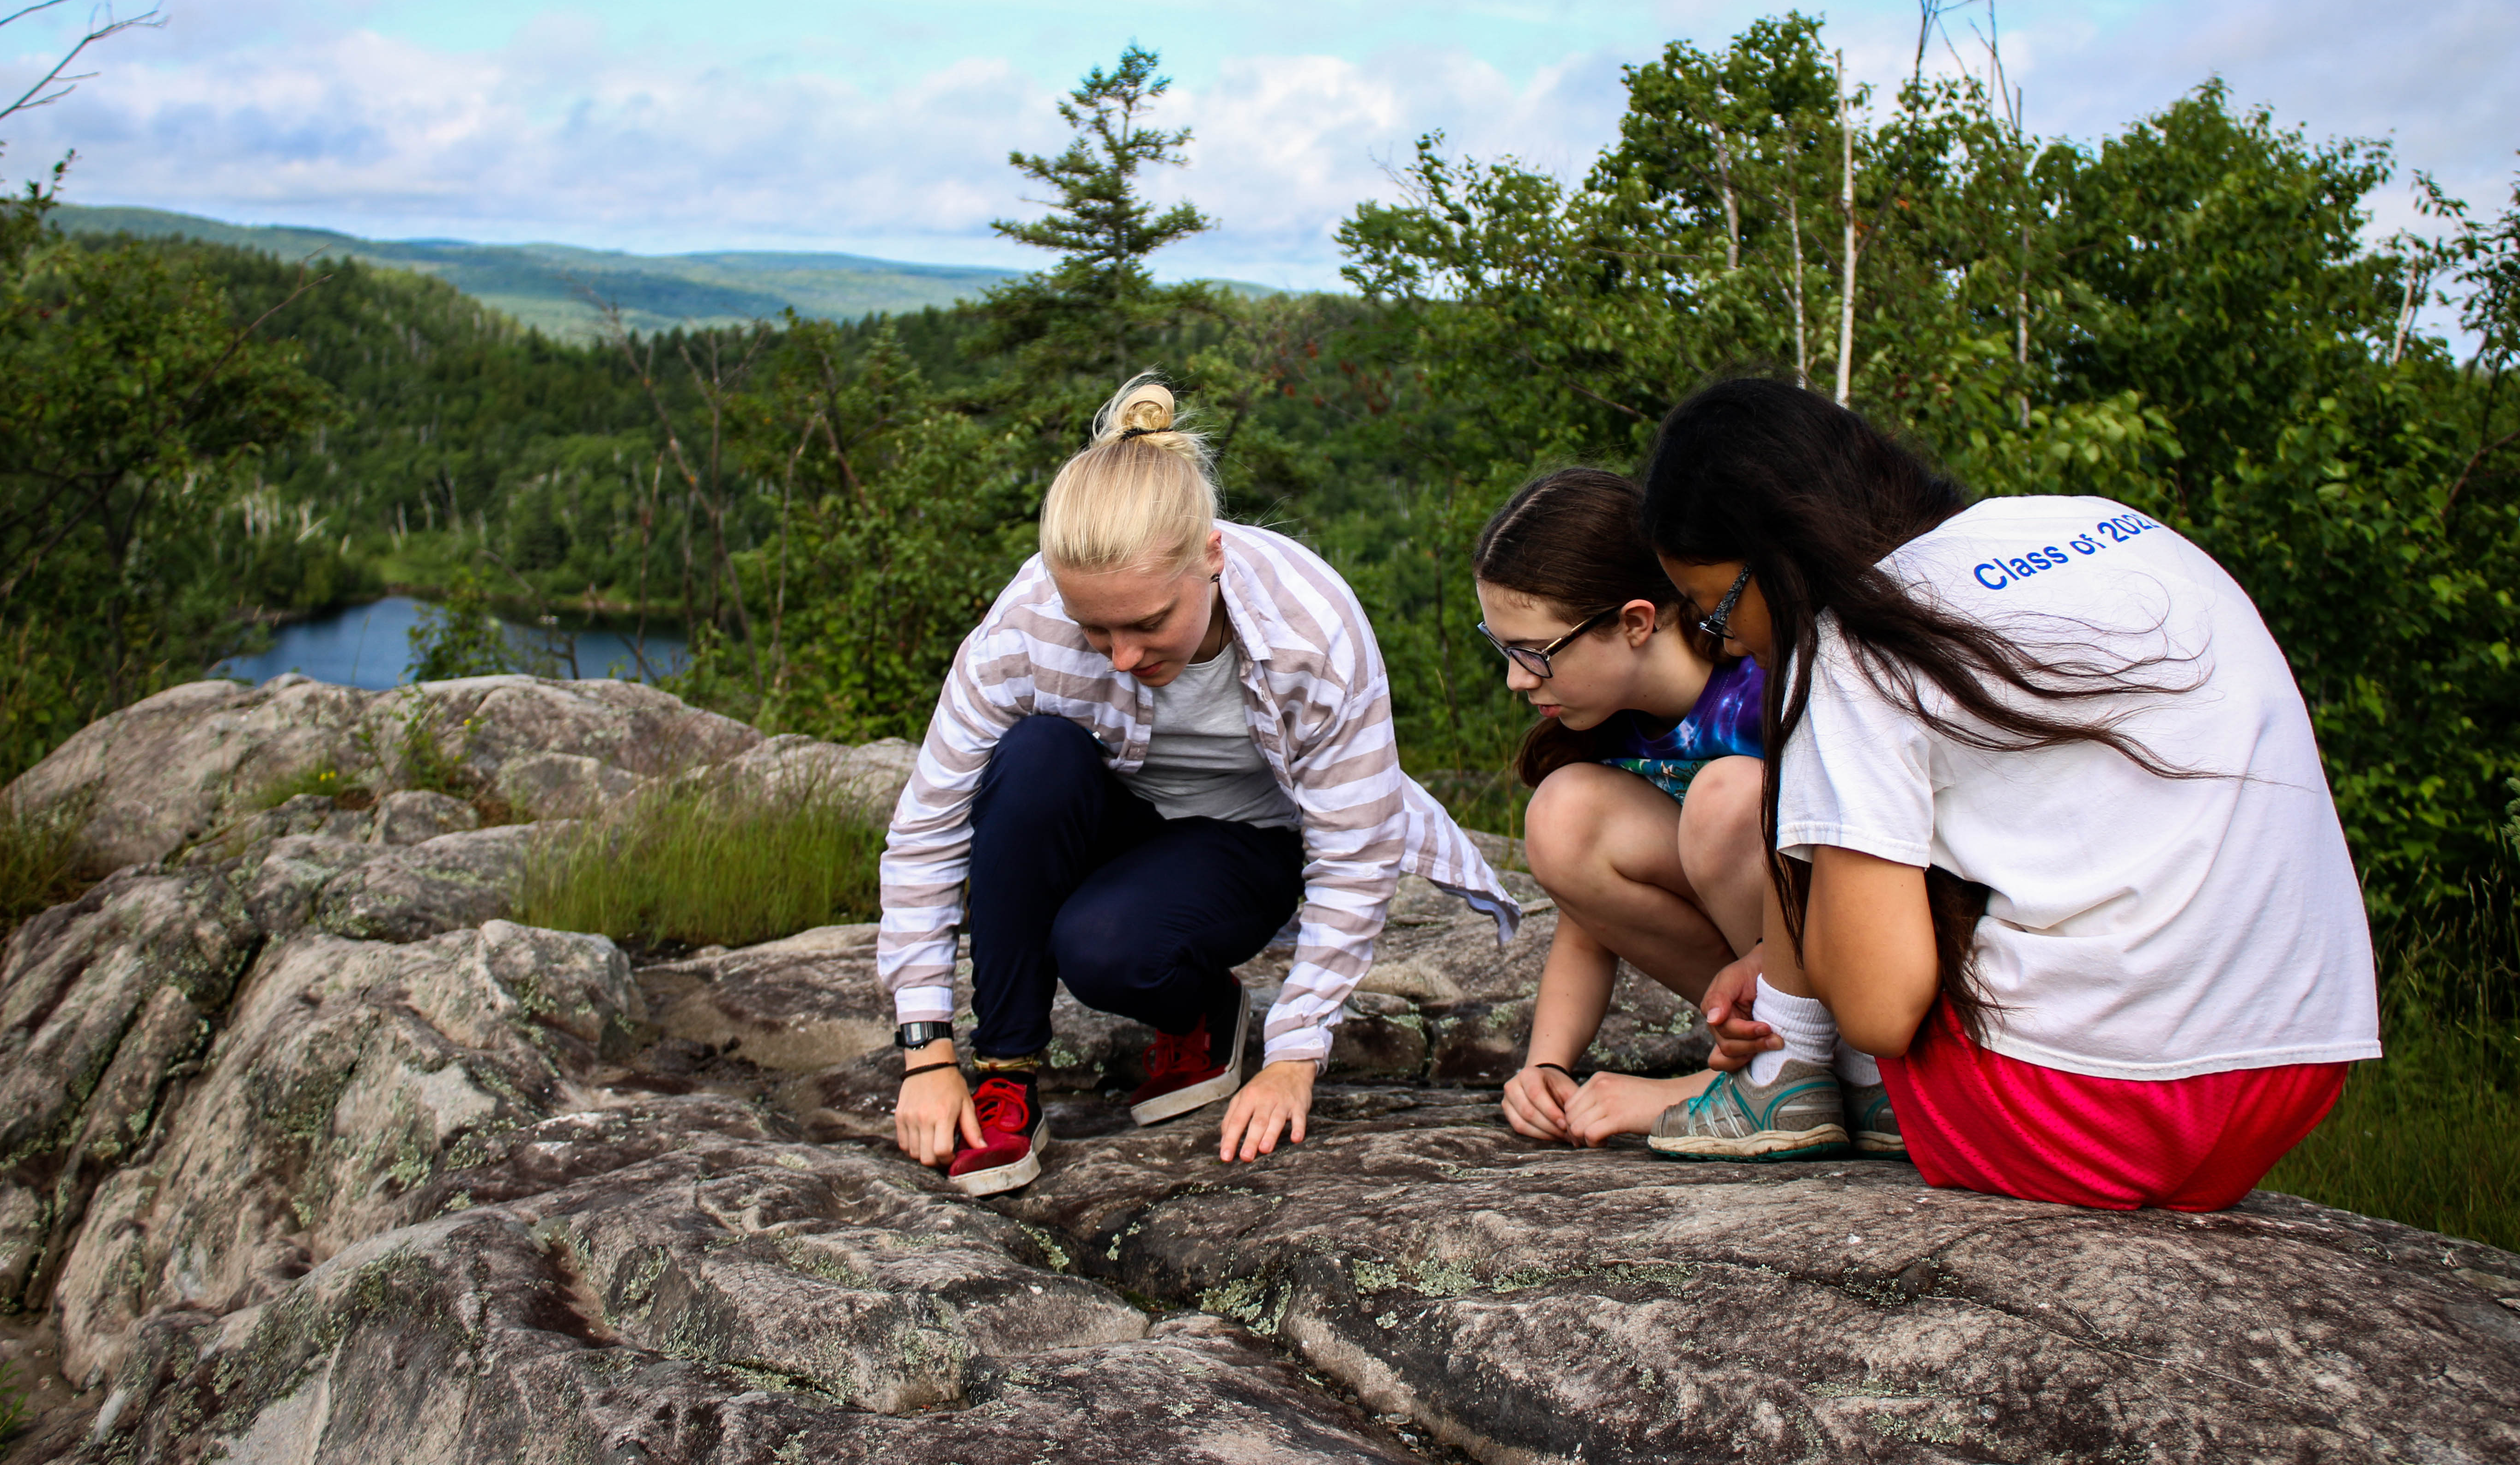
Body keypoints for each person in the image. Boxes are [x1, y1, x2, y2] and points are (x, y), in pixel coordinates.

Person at [1638, 377, 2379, 1210]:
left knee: (1800, 769)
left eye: (1718, 606)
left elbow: (1882, 1013)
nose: (1727, 644)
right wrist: (1780, 956)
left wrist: (1801, 977)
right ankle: (1800, 1046)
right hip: (2291, 1073)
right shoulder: (2098, 522)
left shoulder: (1857, 637)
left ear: (1782, 548)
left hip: (2081, 1109)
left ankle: (1786, 1076)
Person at [880, 375, 1519, 1195]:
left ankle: (1208, 1012)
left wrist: (1295, 1055)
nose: (1120, 656)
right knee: (1036, 757)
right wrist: (924, 1051)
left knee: (1105, 950)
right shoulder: (1025, 626)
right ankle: (1005, 1072)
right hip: (1120, 811)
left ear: (1211, 556)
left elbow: (1354, 853)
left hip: (1251, 842)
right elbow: (930, 825)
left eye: (1148, 624)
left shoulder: (1311, 630)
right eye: (1094, 627)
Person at [1468, 469, 1784, 1147]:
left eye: (1534, 653)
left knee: (1725, 800)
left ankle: (1796, 1068)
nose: (1516, 680)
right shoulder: (1606, 722)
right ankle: (1765, 1050)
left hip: (1842, 958)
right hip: (1755, 975)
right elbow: (1590, 924)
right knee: (1562, 818)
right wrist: (1546, 1066)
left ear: (1636, 622)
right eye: (1502, 649)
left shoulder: (1763, 684)